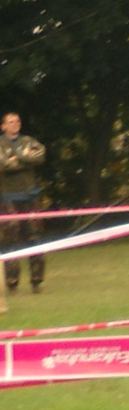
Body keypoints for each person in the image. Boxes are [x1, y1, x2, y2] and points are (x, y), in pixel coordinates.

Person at [0, 112, 47, 294]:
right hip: (8, 197)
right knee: (11, 240)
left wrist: (17, 158)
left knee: (35, 238)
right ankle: (12, 283)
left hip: (30, 196)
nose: (15, 124)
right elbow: (3, 165)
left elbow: (40, 156)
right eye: (11, 122)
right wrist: (24, 159)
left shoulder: (28, 141)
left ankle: (36, 281)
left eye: (18, 121)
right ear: (3, 126)